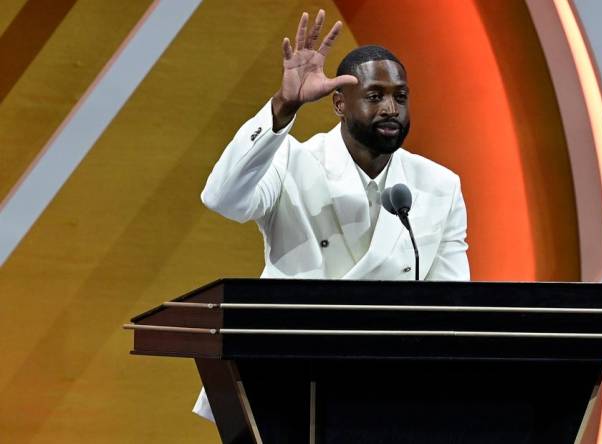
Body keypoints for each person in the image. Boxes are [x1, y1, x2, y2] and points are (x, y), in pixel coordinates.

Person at [193, 10, 469, 421]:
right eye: (375, 96)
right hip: (288, 379)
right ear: (340, 103)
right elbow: (222, 198)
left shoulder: (439, 186)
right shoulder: (292, 161)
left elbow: (454, 305)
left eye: (401, 96)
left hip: (393, 386)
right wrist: (284, 105)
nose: (391, 108)